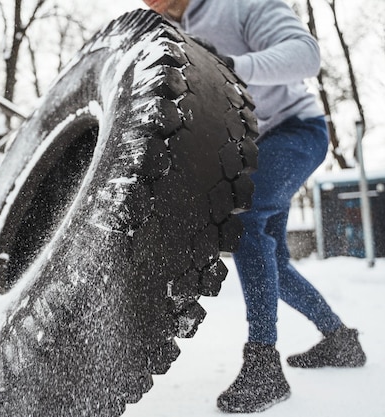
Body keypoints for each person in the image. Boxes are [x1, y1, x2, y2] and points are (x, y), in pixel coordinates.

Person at [141, 0, 367, 413]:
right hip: (255, 150)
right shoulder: (163, 34)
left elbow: (306, 54)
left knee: (247, 220)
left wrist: (231, 65)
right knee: (274, 260)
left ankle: (263, 364)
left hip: (297, 131)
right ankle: (339, 339)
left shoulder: (241, 6)